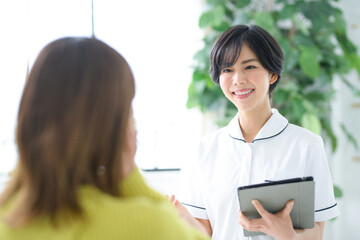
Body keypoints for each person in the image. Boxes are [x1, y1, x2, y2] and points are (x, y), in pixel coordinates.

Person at [0, 37, 210, 240]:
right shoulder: (146, 225)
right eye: (128, 110)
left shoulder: (6, 217)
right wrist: (129, 176)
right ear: (114, 125)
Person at [170, 25, 340, 240]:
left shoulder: (307, 145)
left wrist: (288, 235)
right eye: (227, 70)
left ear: (272, 74)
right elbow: (205, 232)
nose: (238, 80)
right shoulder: (204, 150)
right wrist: (183, 218)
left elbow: (316, 231)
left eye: (249, 67)